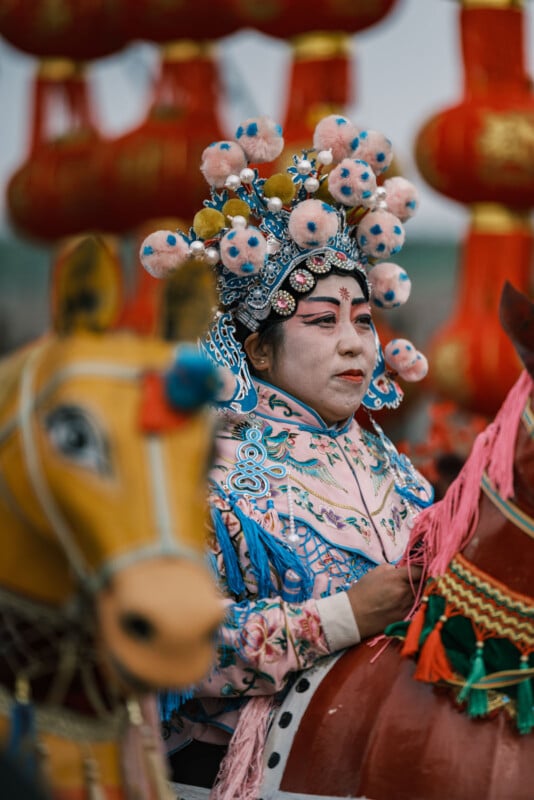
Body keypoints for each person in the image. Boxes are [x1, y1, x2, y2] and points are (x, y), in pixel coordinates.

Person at [140, 113, 434, 797]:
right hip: (232, 770)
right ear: (259, 349)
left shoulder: (397, 470)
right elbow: (169, 644)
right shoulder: (203, 476)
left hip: (392, 754)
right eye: (323, 322)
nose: (357, 344)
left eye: (364, 320)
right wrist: (344, 618)